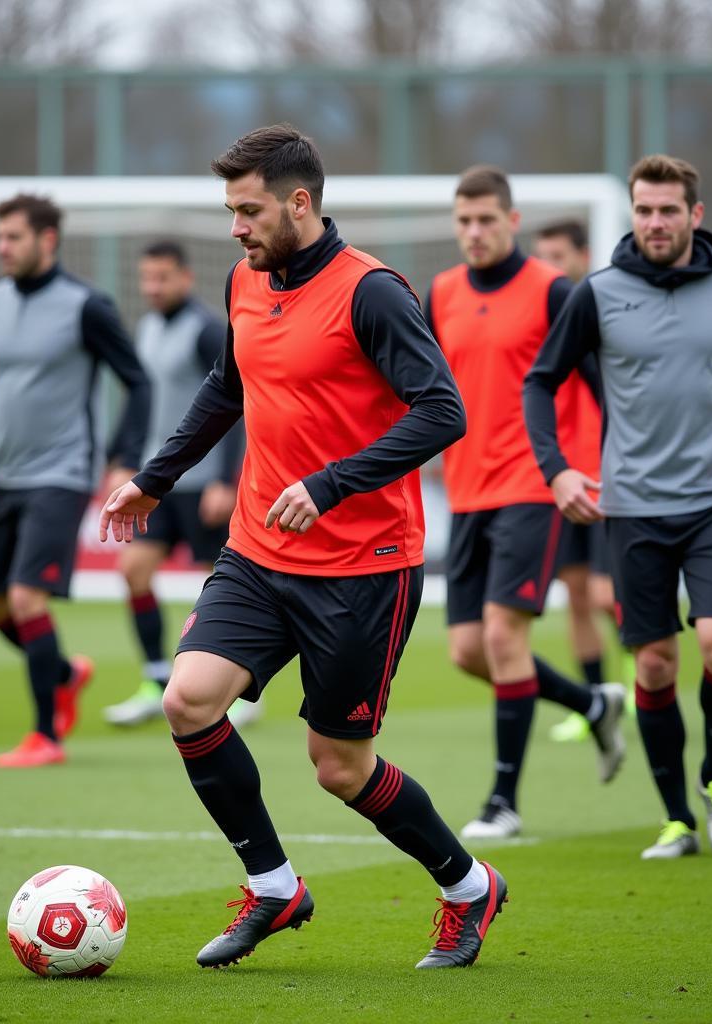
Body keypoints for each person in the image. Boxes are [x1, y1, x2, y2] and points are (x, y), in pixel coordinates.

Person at [100, 124, 507, 970]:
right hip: (256, 552)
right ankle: (276, 885)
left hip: (363, 568)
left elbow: (443, 412)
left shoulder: (374, 293)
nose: (237, 227)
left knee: (339, 767)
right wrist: (158, 477)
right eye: (229, 211)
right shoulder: (244, 281)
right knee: (188, 700)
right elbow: (230, 385)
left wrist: (329, 484)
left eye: (249, 210)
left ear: (300, 202)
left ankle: (469, 888)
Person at [524, 154, 712, 859]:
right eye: (644, 209)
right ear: (633, 213)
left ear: (694, 216)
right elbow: (541, 383)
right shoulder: (598, 292)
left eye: (669, 210)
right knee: (653, 670)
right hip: (632, 511)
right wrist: (557, 472)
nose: (656, 222)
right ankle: (677, 817)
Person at [426, 166, 627, 842]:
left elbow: (600, 386)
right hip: (465, 490)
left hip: (533, 483)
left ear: (512, 222)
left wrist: (602, 469)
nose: (474, 232)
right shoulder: (442, 293)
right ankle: (592, 702)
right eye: (463, 221)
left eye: (486, 219)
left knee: (505, 635)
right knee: (466, 650)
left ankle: (503, 802)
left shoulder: (554, 292)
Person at [0, 193, 151, 768]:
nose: (2, 247)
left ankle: (46, 735)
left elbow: (137, 382)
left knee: (25, 597)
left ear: (47, 240)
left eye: (13, 237)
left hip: (63, 474)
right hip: (6, 474)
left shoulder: (86, 306)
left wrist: (124, 458)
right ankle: (64, 674)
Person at [101, 240, 258, 729]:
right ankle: (154, 678)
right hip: (160, 482)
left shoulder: (207, 330)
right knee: (134, 572)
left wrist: (228, 480)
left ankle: (244, 692)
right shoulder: (146, 329)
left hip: (205, 484)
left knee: (236, 588)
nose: (153, 287)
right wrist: (124, 460)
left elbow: (236, 404)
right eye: (147, 278)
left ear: (185, 278)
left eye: (162, 277)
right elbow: (140, 402)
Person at [533, 220, 622, 743]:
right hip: (564, 479)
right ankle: (598, 699)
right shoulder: (539, 323)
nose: (549, 266)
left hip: (609, 474)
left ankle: (640, 687)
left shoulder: (602, 318)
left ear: (583, 258)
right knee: (580, 595)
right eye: (541, 256)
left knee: (613, 594)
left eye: (558, 255)